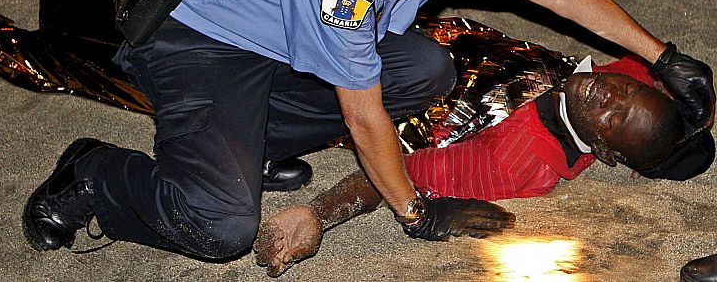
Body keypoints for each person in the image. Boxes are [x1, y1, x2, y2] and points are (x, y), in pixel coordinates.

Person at [21, 0, 715, 260]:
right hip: (195, 30)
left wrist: (664, 56)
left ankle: (251, 140)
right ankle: (91, 175)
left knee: (423, 67)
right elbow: (362, 116)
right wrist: (413, 211)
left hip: (268, 20)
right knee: (218, 226)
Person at [253, 55, 715, 277]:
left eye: (613, 120)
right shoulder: (624, 77)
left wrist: (318, 213)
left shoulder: (517, 166)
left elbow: (399, 171)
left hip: (352, 79)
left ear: (605, 152)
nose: (608, 94)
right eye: (630, 91)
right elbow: (646, 68)